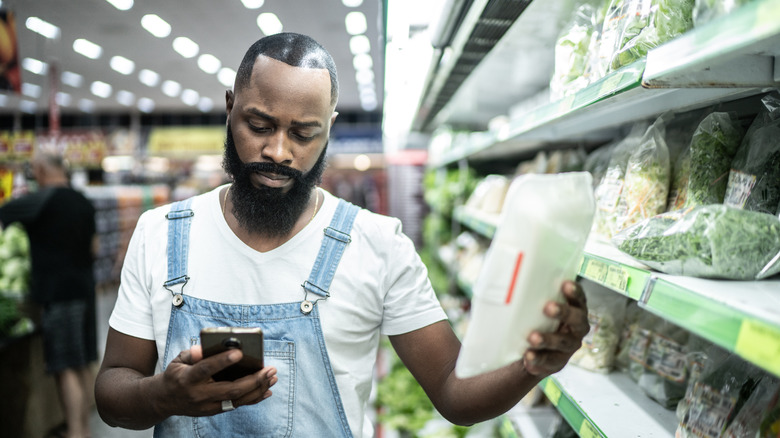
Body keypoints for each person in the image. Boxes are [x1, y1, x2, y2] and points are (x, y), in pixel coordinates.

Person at [94, 32, 589, 437]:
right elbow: (112, 390)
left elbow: (454, 393)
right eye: (258, 125)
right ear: (230, 107)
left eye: (303, 133)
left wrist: (534, 363)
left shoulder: (378, 245)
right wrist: (163, 395)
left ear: (329, 128)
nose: (279, 151)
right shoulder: (161, 232)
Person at [0, 154, 98, 438]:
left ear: (41, 170)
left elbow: (4, 212)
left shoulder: (42, 199)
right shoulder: (83, 200)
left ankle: (77, 432)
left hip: (59, 295)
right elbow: (94, 247)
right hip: (84, 290)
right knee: (80, 363)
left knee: (64, 366)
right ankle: (83, 429)